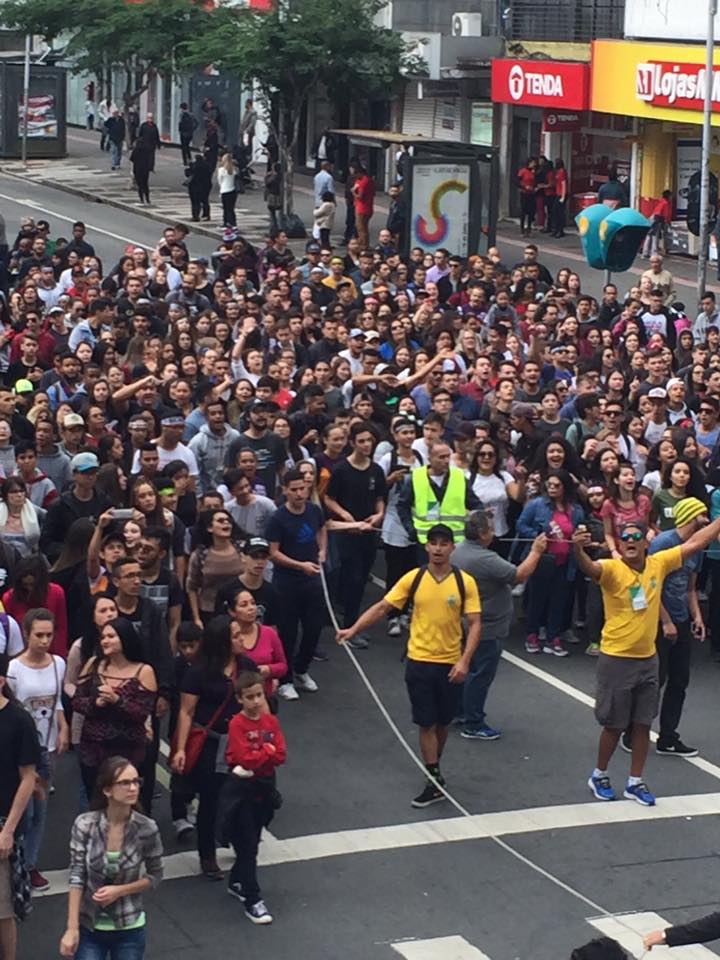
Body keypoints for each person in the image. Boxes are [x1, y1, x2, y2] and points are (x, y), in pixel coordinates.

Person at [574, 511, 720, 807]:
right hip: (616, 658)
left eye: (635, 536)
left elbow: (695, 544)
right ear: (620, 544)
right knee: (614, 725)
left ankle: (635, 781)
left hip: (648, 659)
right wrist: (577, 549)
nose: (629, 540)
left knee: (642, 724)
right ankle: (599, 775)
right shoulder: (612, 569)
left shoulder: (658, 563)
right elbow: (590, 567)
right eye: (625, 537)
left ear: (645, 543)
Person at [337, 523, 481, 808]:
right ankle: (434, 778)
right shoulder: (413, 578)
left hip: (450, 663)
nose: (438, 549)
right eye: (433, 543)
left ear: (452, 548)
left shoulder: (465, 582)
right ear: (426, 546)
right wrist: (353, 629)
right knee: (425, 722)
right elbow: (383, 607)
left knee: (442, 723)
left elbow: (475, 623)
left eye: (444, 543)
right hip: (419, 662)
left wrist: (465, 660)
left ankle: (433, 769)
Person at [621, 497, 708, 758]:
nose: (706, 520)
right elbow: (648, 586)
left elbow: (690, 588)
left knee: (680, 679)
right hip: (659, 622)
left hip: (681, 620)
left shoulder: (695, 548)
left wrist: (697, 617)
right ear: (691, 516)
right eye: (703, 515)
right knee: (653, 681)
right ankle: (631, 731)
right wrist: (666, 621)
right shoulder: (664, 543)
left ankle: (668, 737)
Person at [170, 616, 255, 880]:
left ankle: (235, 838)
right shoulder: (199, 671)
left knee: (244, 795)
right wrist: (180, 749)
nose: (242, 639)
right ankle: (207, 854)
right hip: (211, 744)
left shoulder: (247, 666)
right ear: (222, 642)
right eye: (236, 636)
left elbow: (258, 701)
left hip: (241, 742)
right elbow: (186, 711)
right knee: (210, 799)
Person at [453, 513, 547, 740]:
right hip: (487, 627)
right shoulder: (485, 559)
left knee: (465, 670)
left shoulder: (458, 550)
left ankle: (460, 711)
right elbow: (519, 575)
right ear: (482, 533)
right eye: (491, 528)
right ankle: (473, 722)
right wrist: (536, 551)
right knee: (480, 675)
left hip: (465, 622)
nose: (494, 532)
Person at [59, 755, 163, 960]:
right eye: (125, 783)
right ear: (107, 790)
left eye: (136, 782)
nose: (133, 788)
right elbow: (77, 876)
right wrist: (72, 928)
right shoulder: (85, 824)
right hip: (89, 925)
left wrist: (120, 891)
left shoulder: (147, 829)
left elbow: (155, 876)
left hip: (129, 925)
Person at [6, 608, 68, 892]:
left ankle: (30, 864)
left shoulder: (58, 664)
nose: (44, 641)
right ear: (27, 635)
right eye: (39, 635)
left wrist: (63, 726)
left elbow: (57, 700)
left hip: (47, 745)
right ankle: (16, 860)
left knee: (40, 810)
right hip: (22, 749)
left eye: (49, 635)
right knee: (25, 811)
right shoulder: (14, 669)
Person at [222, 670, 286, 924]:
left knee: (254, 838)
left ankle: (237, 880)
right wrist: (266, 752)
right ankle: (253, 898)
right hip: (242, 790)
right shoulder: (236, 724)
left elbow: (281, 754)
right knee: (247, 843)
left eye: (259, 695)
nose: (256, 701)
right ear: (240, 699)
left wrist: (261, 753)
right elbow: (244, 758)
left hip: (265, 787)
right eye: (250, 697)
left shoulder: (271, 722)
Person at [72, 617, 158, 803]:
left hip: (128, 751)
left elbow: (142, 712)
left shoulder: (144, 671)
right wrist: (95, 703)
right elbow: (77, 701)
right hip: (93, 750)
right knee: (96, 801)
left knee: (126, 802)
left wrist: (117, 700)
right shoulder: (93, 664)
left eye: (111, 636)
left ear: (125, 638)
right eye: (103, 637)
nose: (105, 641)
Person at [324, 422, 386, 648]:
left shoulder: (376, 470)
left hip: (369, 533)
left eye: (369, 441)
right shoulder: (341, 469)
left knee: (360, 581)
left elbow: (380, 498)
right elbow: (329, 498)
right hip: (348, 533)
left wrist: (379, 515)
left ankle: (354, 623)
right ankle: (349, 626)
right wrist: (345, 515)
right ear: (352, 443)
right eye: (361, 441)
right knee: (353, 578)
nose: (366, 445)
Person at [267, 468, 327, 700]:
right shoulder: (278, 518)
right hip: (287, 583)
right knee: (288, 633)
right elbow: (274, 553)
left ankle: (301, 669)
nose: (300, 493)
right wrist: (300, 565)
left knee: (314, 628)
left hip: (312, 580)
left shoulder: (314, 510)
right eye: (294, 490)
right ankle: (286, 679)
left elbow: (322, 529)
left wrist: (322, 550)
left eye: (303, 488)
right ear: (285, 490)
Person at [0, 650, 41, 960]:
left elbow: (28, 778)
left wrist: (9, 830)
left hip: (2, 821)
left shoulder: (18, 720)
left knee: (3, 909)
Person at [185, 152, 212, 222]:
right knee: (205, 201)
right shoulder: (207, 165)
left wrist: (189, 166)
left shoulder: (194, 166)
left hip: (195, 186)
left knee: (195, 202)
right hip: (206, 185)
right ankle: (206, 215)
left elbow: (187, 174)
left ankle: (195, 216)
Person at [129, 136, 153, 206]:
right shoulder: (147, 150)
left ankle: (141, 199)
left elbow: (132, 159)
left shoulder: (136, 150)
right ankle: (148, 199)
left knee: (140, 185)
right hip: (145, 169)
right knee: (145, 184)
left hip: (137, 168)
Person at [217, 152, 239, 228]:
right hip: (232, 190)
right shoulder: (234, 169)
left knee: (225, 208)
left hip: (224, 190)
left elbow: (220, 181)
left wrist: (220, 189)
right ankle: (233, 223)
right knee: (231, 208)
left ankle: (226, 222)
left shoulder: (221, 170)